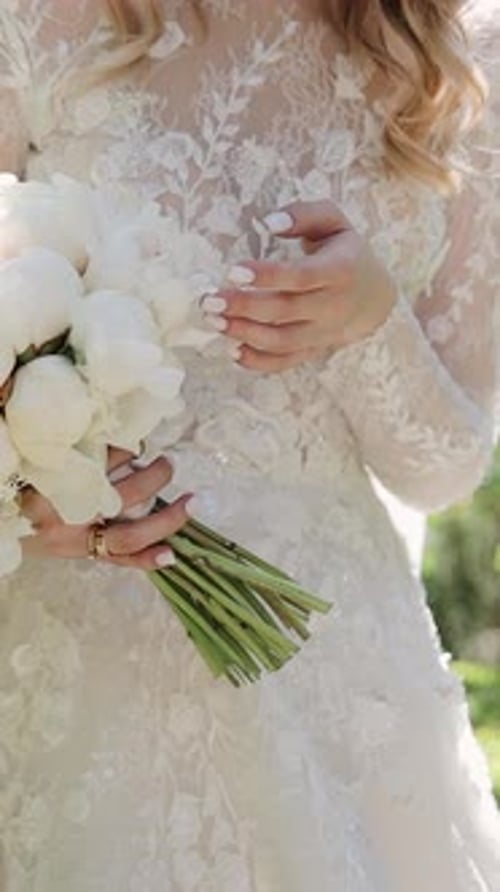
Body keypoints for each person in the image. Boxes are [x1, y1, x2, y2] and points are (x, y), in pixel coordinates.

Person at [0, 1, 499, 889]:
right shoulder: (37, 18)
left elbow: (446, 468)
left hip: (336, 681)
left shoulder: (463, 60)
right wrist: (25, 500)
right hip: (70, 666)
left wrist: (370, 326)